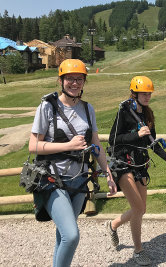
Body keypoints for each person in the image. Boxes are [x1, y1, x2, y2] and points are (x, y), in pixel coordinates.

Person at [28, 59, 117, 267]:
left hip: (79, 181)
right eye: (70, 78)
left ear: (84, 81)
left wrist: (108, 173)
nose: (74, 83)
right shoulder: (47, 107)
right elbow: (33, 146)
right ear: (61, 80)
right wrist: (68, 145)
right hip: (53, 180)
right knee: (71, 235)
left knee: (63, 235)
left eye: (79, 79)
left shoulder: (88, 109)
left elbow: (96, 145)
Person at [106, 76, 166, 266]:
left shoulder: (147, 114)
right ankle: (138, 251)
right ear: (134, 93)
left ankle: (113, 225)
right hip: (123, 163)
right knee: (137, 208)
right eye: (143, 93)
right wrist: (136, 135)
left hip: (140, 164)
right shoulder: (124, 111)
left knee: (141, 209)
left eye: (149, 93)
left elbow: (152, 142)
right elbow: (113, 139)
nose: (147, 96)